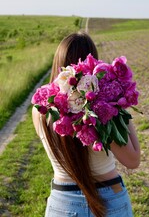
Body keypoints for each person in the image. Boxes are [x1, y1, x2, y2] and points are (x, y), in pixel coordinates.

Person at [32, 31, 140, 217]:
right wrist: (121, 106)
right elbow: (132, 160)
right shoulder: (104, 109)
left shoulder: (39, 111)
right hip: (109, 200)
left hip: (62, 202)